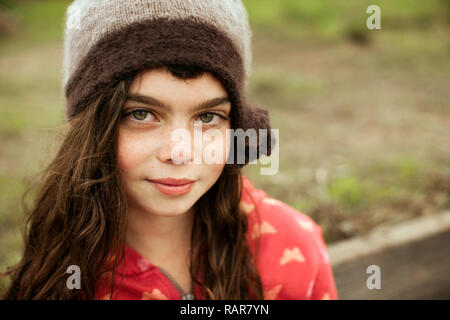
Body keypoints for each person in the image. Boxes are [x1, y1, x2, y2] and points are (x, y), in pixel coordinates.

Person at [1, 0, 338, 300]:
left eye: (208, 116)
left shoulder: (290, 247)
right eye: (141, 114)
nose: (180, 153)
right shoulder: (63, 276)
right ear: (93, 129)